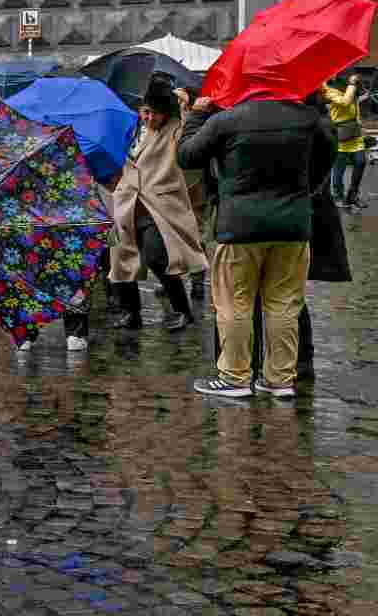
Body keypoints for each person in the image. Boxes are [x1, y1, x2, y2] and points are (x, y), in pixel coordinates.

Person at [178, 90, 336, 398]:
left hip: (239, 228)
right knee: (284, 304)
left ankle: (235, 378)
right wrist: (303, 192)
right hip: (292, 226)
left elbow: (186, 156)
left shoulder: (226, 120)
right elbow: (328, 156)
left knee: (235, 302)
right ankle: (279, 380)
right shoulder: (307, 118)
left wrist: (197, 114)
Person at [108, 80, 206, 332]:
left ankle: (182, 310)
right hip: (127, 202)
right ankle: (131, 313)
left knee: (156, 256)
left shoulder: (174, 129)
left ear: (166, 113)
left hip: (158, 205)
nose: (149, 117)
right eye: (145, 111)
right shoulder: (132, 128)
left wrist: (188, 110)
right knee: (121, 258)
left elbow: (189, 138)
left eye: (155, 112)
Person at [322, 73, 370, 211]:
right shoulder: (327, 88)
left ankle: (352, 195)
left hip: (354, 130)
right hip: (340, 132)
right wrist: (352, 84)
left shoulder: (347, 83)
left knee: (361, 162)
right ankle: (338, 196)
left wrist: (359, 85)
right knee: (339, 168)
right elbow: (345, 101)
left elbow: (355, 101)